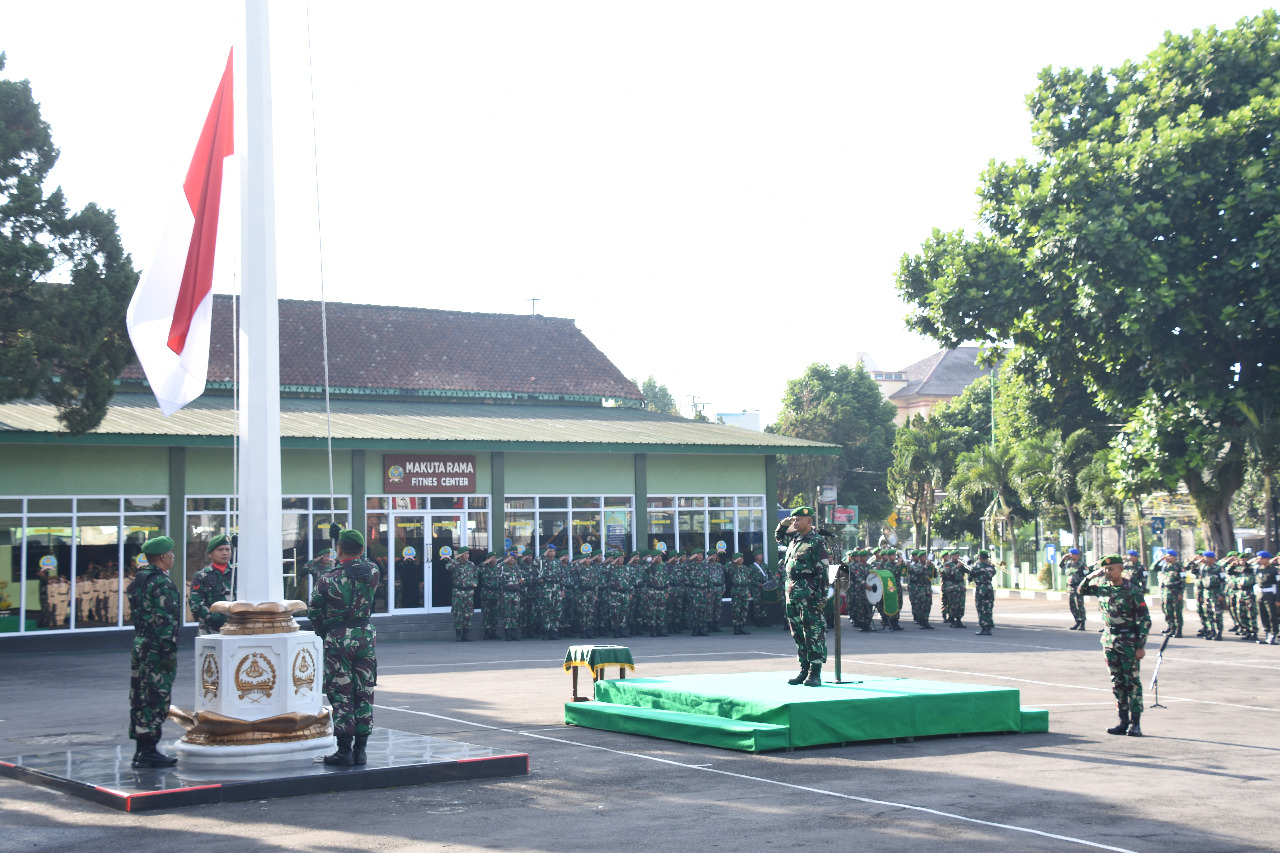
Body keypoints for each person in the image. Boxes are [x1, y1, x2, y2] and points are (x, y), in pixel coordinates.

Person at [308, 528, 380, 767]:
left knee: (341, 693)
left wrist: (324, 631)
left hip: (338, 639)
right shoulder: (373, 572)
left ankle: (344, 751)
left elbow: (314, 612)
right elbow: (363, 561)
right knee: (364, 692)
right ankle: (361, 751)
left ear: (338, 550)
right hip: (365, 637)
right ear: (361, 550)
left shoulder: (328, 579)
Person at [1076, 555, 1152, 737]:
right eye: (1106, 570)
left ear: (1121, 570)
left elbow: (1145, 620)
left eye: (1111, 569)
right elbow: (1080, 590)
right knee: (1117, 682)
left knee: (1131, 682)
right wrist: (1091, 576)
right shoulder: (1102, 588)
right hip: (1109, 639)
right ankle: (1122, 721)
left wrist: (1140, 646)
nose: (1108, 573)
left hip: (1129, 641)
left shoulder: (1132, 590)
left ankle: (1135, 723)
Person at [126, 535, 182, 767]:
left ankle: (142, 749)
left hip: (141, 643)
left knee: (140, 696)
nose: (173, 557)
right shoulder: (161, 583)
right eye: (171, 553)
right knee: (156, 697)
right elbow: (166, 621)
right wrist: (169, 653)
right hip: (158, 648)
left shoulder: (139, 580)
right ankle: (148, 751)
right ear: (162, 557)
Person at [774, 507, 829, 687]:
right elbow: (778, 536)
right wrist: (784, 523)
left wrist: (821, 596)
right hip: (792, 591)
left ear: (809, 521)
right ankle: (803, 669)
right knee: (797, 632)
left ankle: (815, 672)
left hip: (809, 593)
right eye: (794, 519)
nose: (795, 522)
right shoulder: (794, 539)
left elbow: (823, 570)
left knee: (812, 632)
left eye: (799, 519)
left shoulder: (816, 542)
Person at [188, 534, 235, 634]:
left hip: (236, 627)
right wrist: (218, 618)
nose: (225, 553)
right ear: (210, 554)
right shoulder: (202, 576)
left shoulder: (237, 573)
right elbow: (196, 605)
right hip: (211, 630)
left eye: (228, 549)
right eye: (220, 550)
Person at [446, 547, 478, 642]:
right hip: (458, 591)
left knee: (469, 614)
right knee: (458, 613)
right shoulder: (455, 564)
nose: (467, 555)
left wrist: (475, 583)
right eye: (464, 553)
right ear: (460, 554)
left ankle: (466, 634)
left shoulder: (471, 565)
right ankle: (458, 635)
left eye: (468, 553)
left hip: (468, 592)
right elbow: (447, 567)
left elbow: (475, 576)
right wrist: (456, 557)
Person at [970, 550, 997, 635]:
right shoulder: (991, 567)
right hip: (989, 588)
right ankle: (989, 627)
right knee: (988, 608)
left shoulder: (976, 566)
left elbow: (970, 578)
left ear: (980, 557)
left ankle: (984, 628)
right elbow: (993, 573)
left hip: (981, 588)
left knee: (981, 608)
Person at [1158, 549, 1185, 637]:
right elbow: (1153, 568)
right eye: (1167, 556)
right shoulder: (1165, 566)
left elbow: (1183, 581)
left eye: (1169, 556)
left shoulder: (1179, 567)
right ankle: (1171, 628)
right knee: (1167, 610)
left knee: (1177, 611)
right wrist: (1159, 560)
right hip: (1166, 592)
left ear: (1174, 557)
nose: (1167, 557)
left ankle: (1178, 630)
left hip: (1175, 592)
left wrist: (1181, 593)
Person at [1254, 551, 1278, 645]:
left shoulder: (1274, 570)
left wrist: (1278, 599)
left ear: (1267, 559)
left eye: (1261, 558)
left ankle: (1273, 635)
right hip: (1260, 594)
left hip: (1270, 595)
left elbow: (1278, 585)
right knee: (1263, 615)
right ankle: (1267, 634)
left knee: (1272, 615)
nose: (1258, 560)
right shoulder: (1257, 569)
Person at [1062, 548, 1088, 630]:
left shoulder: (1081, 564)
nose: (1070, 555)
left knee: (1079, 605)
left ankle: (1082, 623)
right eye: (1070, 554)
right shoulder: (1068, 564)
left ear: (1077, 555)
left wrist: (1084, 586)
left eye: (1072, 554)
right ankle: (1077, 621)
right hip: (1070, 587)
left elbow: (1086, 575)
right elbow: (1061, 566)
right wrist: (1063, 559)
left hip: (1078, 587)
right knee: (1072, 605)